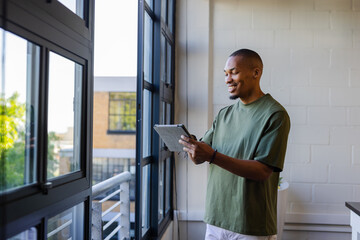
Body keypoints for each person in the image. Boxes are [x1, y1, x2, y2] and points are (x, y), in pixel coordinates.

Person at [179, 49, 290, 240]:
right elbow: (199, 158)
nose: (227, 79)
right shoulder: (224, 115)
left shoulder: (275, 114)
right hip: (216, 220)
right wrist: (193, 148)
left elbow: (262, 171)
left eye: (234, 72)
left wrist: (212, 156)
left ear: (256, 73)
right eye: (225, 74)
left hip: (250, 225)